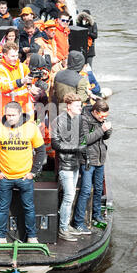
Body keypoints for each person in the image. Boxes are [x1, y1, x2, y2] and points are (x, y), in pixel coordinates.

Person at [0, 101, 46, 244]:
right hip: (4, 177)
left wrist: (34, 171)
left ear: (20, 114)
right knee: (3, 207)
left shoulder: (31, 128)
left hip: (25, 176)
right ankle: (0, 237)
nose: (10, 117)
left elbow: (41, 150)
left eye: (13, 115)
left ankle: (32, 237)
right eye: (8, 115)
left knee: (29, 208)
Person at [72, 99, 112, 234]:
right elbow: (85, 140)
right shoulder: (83, 120)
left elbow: (104, 137)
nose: (104, 118)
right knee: (86, 190)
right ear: (95, 112)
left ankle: (96, 214)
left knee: (99, 188)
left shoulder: (101, 120)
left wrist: (108, 130)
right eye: (102, 116)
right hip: (88, 160)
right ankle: (78, 222)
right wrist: (102, 129)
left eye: (106, 116)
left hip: (100, 159)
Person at [51, 93, 85, 241]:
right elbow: (55, 144)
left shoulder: (78, 120)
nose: (80, 108)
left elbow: (82, 139)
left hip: (75, 162)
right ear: (69, 106)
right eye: (78, 105)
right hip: (65, 164)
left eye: (81, 105)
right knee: (69, 196)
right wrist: (75, 148)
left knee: (70, 197)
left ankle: (66, 225)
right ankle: (63, 229)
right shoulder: (59, 121)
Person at [0, 42, 34, 122]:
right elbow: (3, 87)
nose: (15, 58)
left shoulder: (23, 67)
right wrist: (20, 82)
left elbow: (32, 82)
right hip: (8, 112)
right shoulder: (0, 71)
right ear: (4, 55)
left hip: (24, 109)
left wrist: (32, 86)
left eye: (17, 55)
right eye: (13, 56)